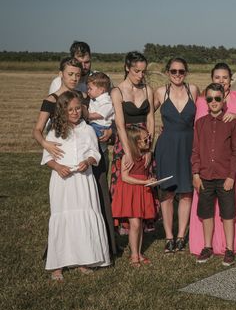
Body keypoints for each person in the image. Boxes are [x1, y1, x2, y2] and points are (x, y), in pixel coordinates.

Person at [190, 63, 236, 255]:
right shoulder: (204, 101)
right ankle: (209, 242)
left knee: (231, 207)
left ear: (231, 80)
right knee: (208, 207)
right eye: (217, 77)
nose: (221, 81)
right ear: (212, 80)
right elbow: (200, 136)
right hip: (209, 166)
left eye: (225, 78)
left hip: (233, 164)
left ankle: (235, 241)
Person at [41, 91, 110, 281]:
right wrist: (58, 167)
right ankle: (58, 265)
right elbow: (47, 158)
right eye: (70, 109)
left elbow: (95, 153)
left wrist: (87, 161)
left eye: (77, 108)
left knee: (84, 214)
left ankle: (84, 259)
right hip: (62, 181)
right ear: (62, 111)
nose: (74, 112)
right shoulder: (54, 132)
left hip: (83, 179)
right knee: (62, 217)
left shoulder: (87, 129)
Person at [191, 83, 236, 265]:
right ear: (206, 101)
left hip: (224, 176)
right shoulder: (200, 123)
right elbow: (196, 150)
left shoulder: (231, 123)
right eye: (210, 99)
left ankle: (229, 249)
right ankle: (207, 247)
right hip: (205, 176)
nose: (214, 102)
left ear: (223, 100)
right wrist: (195, 173)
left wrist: (231, 176)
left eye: (217, 98)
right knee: (206, 213)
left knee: (228, 213)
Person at [153, 57, 198, 253]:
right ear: (167, 72)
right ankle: (169, 236)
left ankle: (181, 235)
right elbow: (145, 115)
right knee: (167, 193)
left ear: (186, 72)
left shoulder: (193, 90)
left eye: (181, 71)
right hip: (167, 146)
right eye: (173, 71)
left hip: (189, 145)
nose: (177, 75)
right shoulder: (161, 92)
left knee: (187, 192)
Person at [110, 52, 155, 230]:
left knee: (144, 184)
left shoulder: (147, 90)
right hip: (125, 142)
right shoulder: (117, 91)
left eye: (143, 72)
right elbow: (120, 125)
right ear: (127, 68)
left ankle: (143, 224)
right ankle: (123, 226)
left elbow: (151, 119)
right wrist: (128, 152)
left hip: (144, 142)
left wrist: (149, 149)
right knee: (125, 184)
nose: (140, 75)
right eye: (136, 71)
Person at [111, 126, 157, 266]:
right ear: (135, 142)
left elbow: (145, 174)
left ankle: (139, 252)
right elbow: (124, 177)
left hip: (141, 191)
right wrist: (144, 182)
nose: (149, 140)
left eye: (149, 138)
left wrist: (151, 181)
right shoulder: (127, 156)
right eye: (145, 139)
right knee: (135, 224)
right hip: (130, 191)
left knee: (140, 224)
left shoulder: (145, 155)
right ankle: (134, 255)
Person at [86, 72, 115, 154]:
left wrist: (86, 115)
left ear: (101, 90)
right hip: (95, 125)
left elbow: (99, 115)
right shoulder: (94, 99)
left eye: (90, 89)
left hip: (101, 127)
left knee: (87, 133)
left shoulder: (106, 101)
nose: (88, 91)